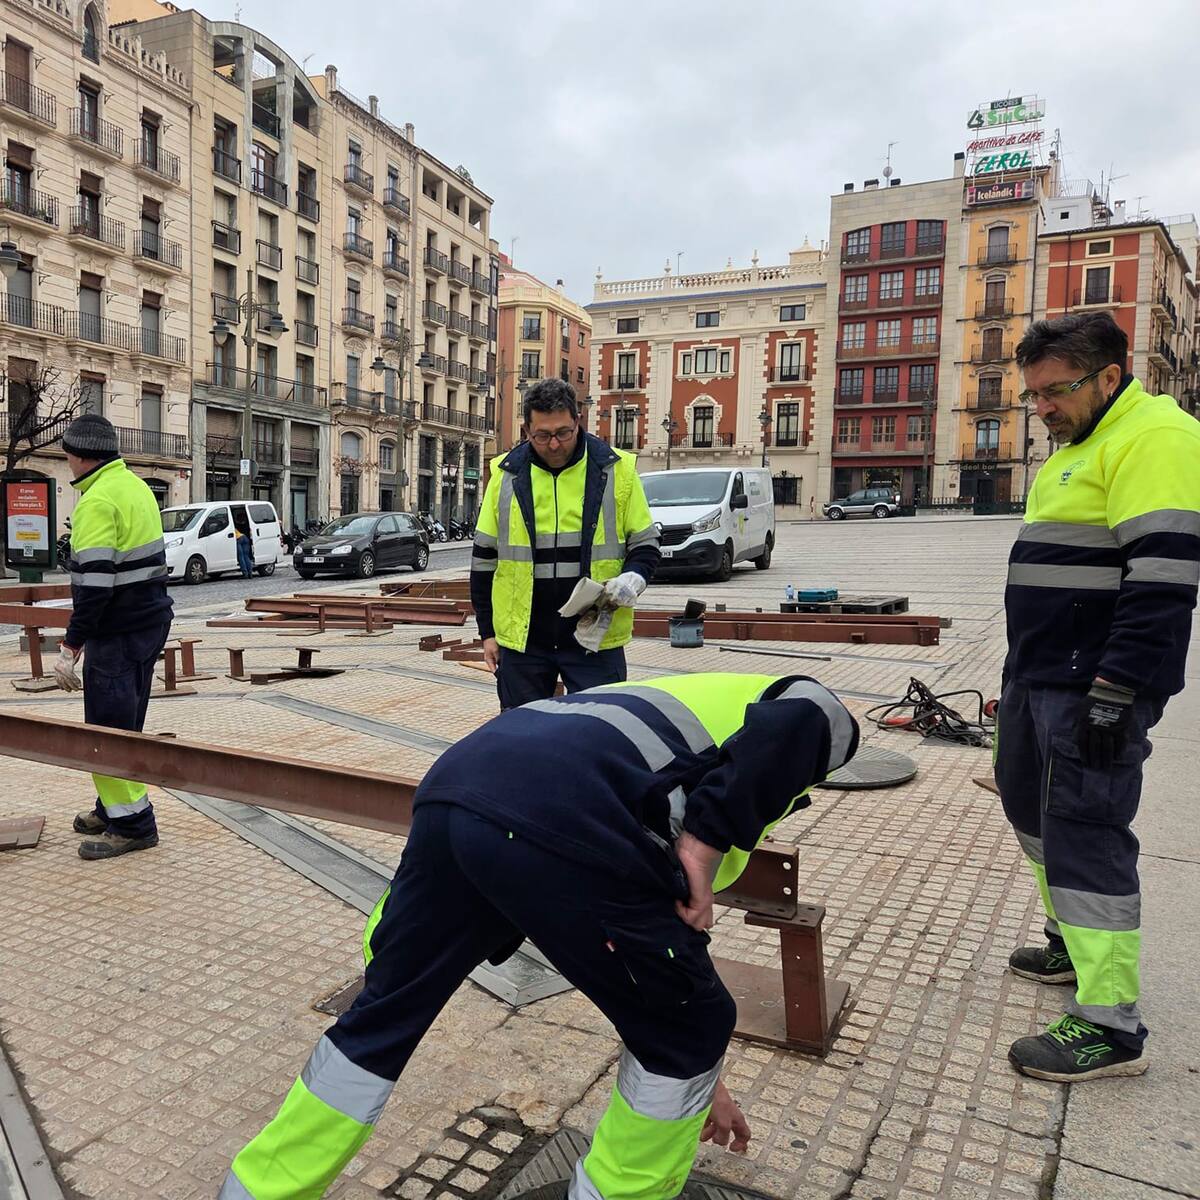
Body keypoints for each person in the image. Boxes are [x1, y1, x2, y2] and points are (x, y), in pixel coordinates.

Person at [219, 671, 858, 1199]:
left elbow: (654, 965)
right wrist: (706, 843)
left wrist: (699, 1075)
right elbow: (818, 708)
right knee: (691, 1029)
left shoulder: (672, 719)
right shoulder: (782, 729)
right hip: (560, 811)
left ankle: (258, 1189)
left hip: (459, 784)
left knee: (379, 1020)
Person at [998, 311, 1200, 1081]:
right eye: (1034, 394)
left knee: (1086, 832)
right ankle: (1070, 944)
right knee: (1034, 813)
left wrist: (1118, 693)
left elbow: (1162, 583)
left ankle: (1110, 1025)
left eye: (1055, 392)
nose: (1041, 407)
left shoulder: (1157, 439)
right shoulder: (1081, 444)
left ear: (1109, 376)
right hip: (1040, 677)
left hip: (1092, 686)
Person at [470, 378, 660, 708]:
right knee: (522, 737)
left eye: (563, 433)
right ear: (526, 430)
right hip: (524, 641)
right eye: (542, 436)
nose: (554, 445)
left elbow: (645, 545)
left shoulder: (616, 470)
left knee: (602, 734)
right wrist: (487, 631)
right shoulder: (505, 476)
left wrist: (635, 576)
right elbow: (484, 560)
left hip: (594, 634)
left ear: (577, 422)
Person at [52, 413, 174, 860]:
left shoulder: (97, 500)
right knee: (127, 720)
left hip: (117, 630)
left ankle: (134, 825)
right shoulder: (135, 487)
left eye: (67, 453)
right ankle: (111, 807)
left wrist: (71, 645)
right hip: (148, 623)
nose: (66, 460)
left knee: (107, 730)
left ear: (81, 455)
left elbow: (96, 584)